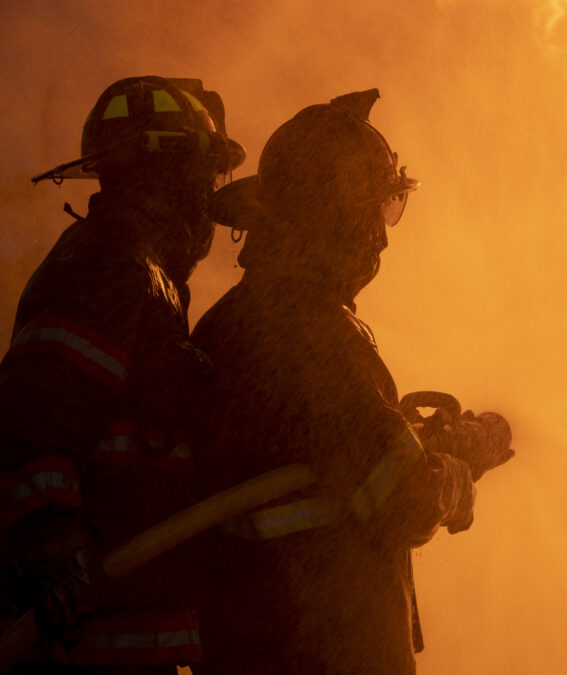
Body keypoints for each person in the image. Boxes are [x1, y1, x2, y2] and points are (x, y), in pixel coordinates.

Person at [192, 89, 513, 674]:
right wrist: (455, 473)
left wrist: (423, 446)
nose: (384, 237)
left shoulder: (239, 321)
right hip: (320, 648)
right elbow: (399, 497)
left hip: (264, 644)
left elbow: (337, 462)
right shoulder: (307, 330)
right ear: (331, 219)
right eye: (375, 212)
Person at [0, 76, 245, 672]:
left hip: (126, 634)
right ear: (166, 172)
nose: (211, 201)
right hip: (85, 643)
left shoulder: (140, 273)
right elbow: (31, 415)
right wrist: (52, 540)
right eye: (205, 177)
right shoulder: (111, 267)